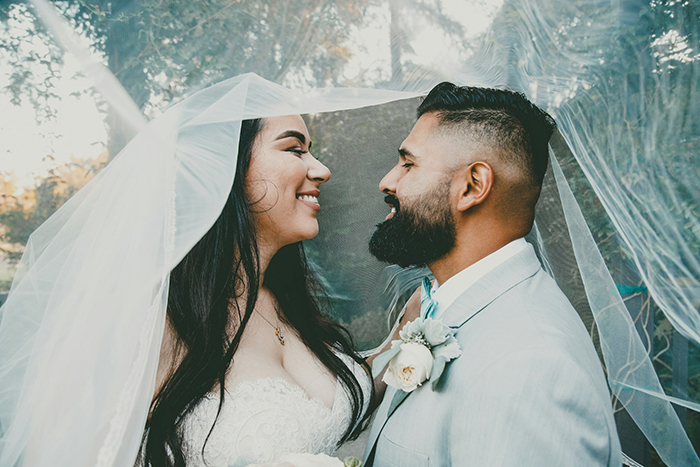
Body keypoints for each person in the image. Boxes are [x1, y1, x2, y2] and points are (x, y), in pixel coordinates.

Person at [364, 82, 623, 466]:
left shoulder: (530, 368)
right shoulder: (443, 309)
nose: (388, 181)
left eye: (408, 163)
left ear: (472, 186)